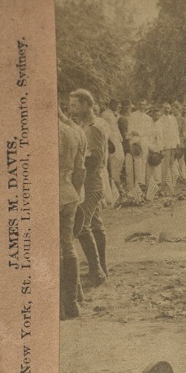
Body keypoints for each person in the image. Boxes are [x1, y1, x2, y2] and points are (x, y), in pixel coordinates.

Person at [69, 89, 110, 286]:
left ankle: (97, 272)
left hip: (92, 183)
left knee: (82, 225)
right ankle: (101, 267)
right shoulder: (83, 125)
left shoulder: (95, 127)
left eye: (75, 105)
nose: (72, 110)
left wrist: (75, 168)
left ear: (86, 105)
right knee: (96, 224)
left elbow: (96, 159)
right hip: (87, 182)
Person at [59, 105, 86, 318]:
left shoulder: (46, 132)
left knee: (54, 248)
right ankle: (73, 303)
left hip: (53, 194)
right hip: (69, 192)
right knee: (68, 245)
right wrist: (75, 194)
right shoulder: (72, 131)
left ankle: (61, 305)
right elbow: (80, 169)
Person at [154, 102, 181, 185]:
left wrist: (177, 143)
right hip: (165, 144)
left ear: (170, 109)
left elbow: (176, 131)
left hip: (172, 143)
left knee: (172, 162)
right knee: (164, 163)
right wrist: (161, 145)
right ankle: (164, 180)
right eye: (165, 108)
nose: (166, 110)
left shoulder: (173, 118)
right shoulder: (160, 119)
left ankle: (174, 178)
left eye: (168, 108)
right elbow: (160, 133)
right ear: (163, 109)